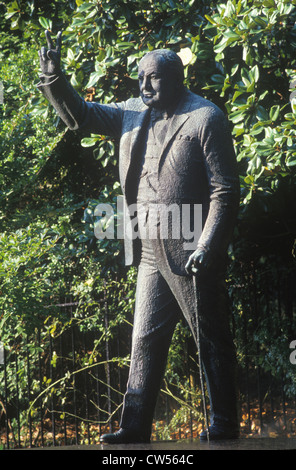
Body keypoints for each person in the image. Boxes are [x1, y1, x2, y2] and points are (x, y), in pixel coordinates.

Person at [38, 30, 240, 443]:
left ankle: (224, 421)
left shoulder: (205, 118)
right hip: (150, 248)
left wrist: (206, 245)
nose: (144, 86)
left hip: (190, 249)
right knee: (144, 337)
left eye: (153, 78)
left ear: (177, 78)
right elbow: (81, 114)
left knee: (210, 336)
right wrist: (56, 80)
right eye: (141, 79)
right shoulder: (132, 113)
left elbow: (225, 190)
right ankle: (134, 427)